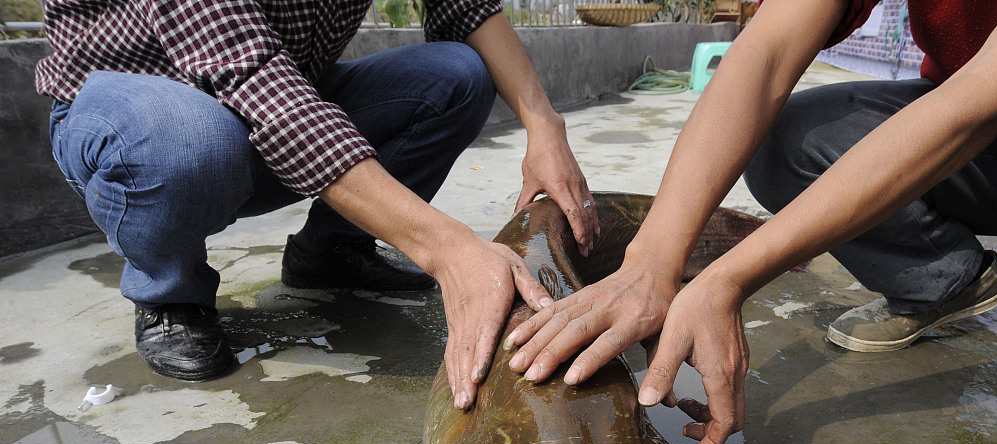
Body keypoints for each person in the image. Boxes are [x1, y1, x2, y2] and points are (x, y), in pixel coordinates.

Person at [504, 0, 997, 444]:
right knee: (786, 137)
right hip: (993, 146)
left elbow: (973, 107)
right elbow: (768, 55)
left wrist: (724, 279)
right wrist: (653, 262)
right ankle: (941, 281)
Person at [36, 0, 599, 409]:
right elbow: (253, 79)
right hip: (140, 116)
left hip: (279, 95)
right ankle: (170, 294)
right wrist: (445, 248)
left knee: (456, 76)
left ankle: (332, 248)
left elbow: (465, 6)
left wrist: (544, 125)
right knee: (191, 141)